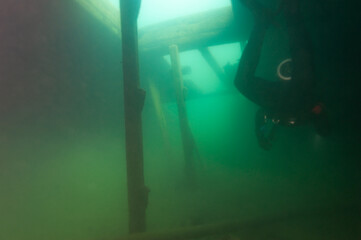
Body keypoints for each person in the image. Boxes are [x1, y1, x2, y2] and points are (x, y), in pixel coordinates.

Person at [234, 0, 330, 150]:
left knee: (242, 82)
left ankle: (264, 21)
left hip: (279, 102)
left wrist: (260, 135)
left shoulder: (289, 115)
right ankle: (291, 14)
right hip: (297, 96)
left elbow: (261, 114)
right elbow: (322, 120)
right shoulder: (310, 114)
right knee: (303, 65)